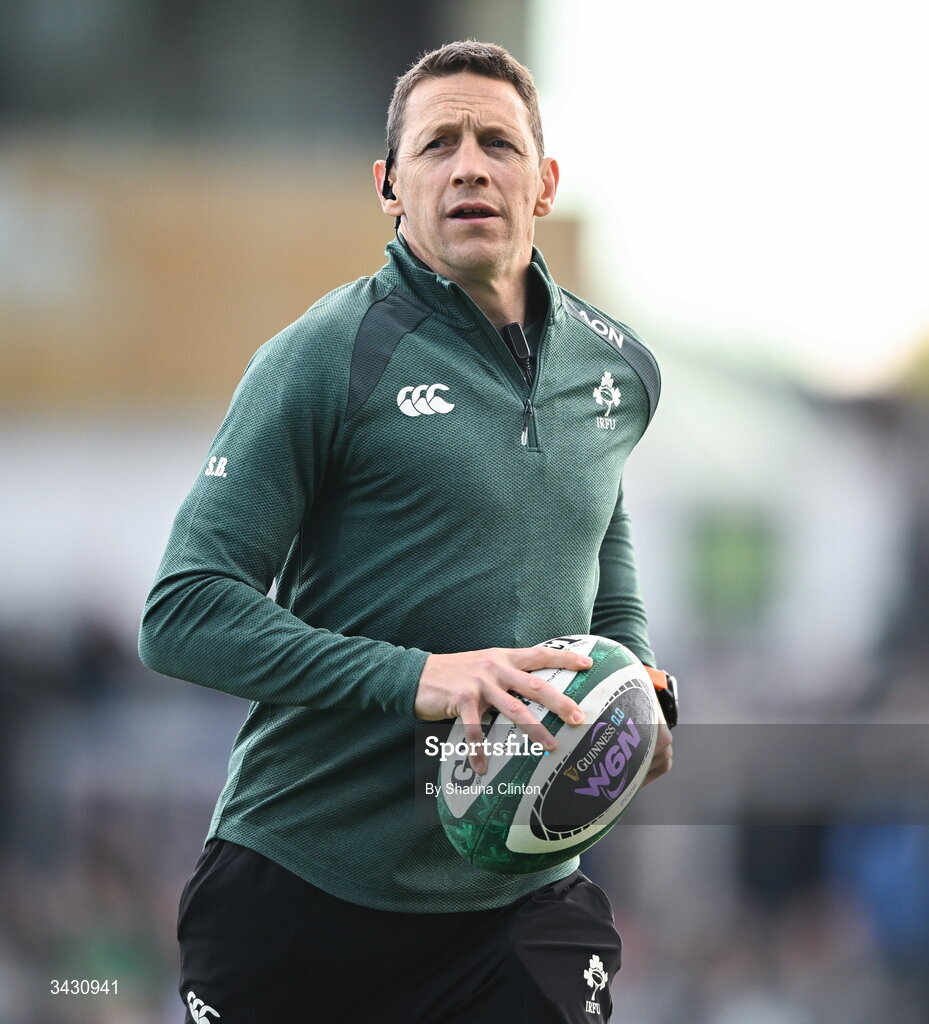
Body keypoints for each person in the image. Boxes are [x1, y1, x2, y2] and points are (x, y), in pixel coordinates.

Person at [140, 40, 673, 1023]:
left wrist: (635, 671)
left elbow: (598, 541)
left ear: (544, 181)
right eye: (438, 144)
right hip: (302, 889)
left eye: (496, 143)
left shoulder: (619, 373)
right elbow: (181, 613)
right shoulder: (320, 357)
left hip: (517, 902)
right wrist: (418, 675)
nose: (469, 164)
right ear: (389, 186)